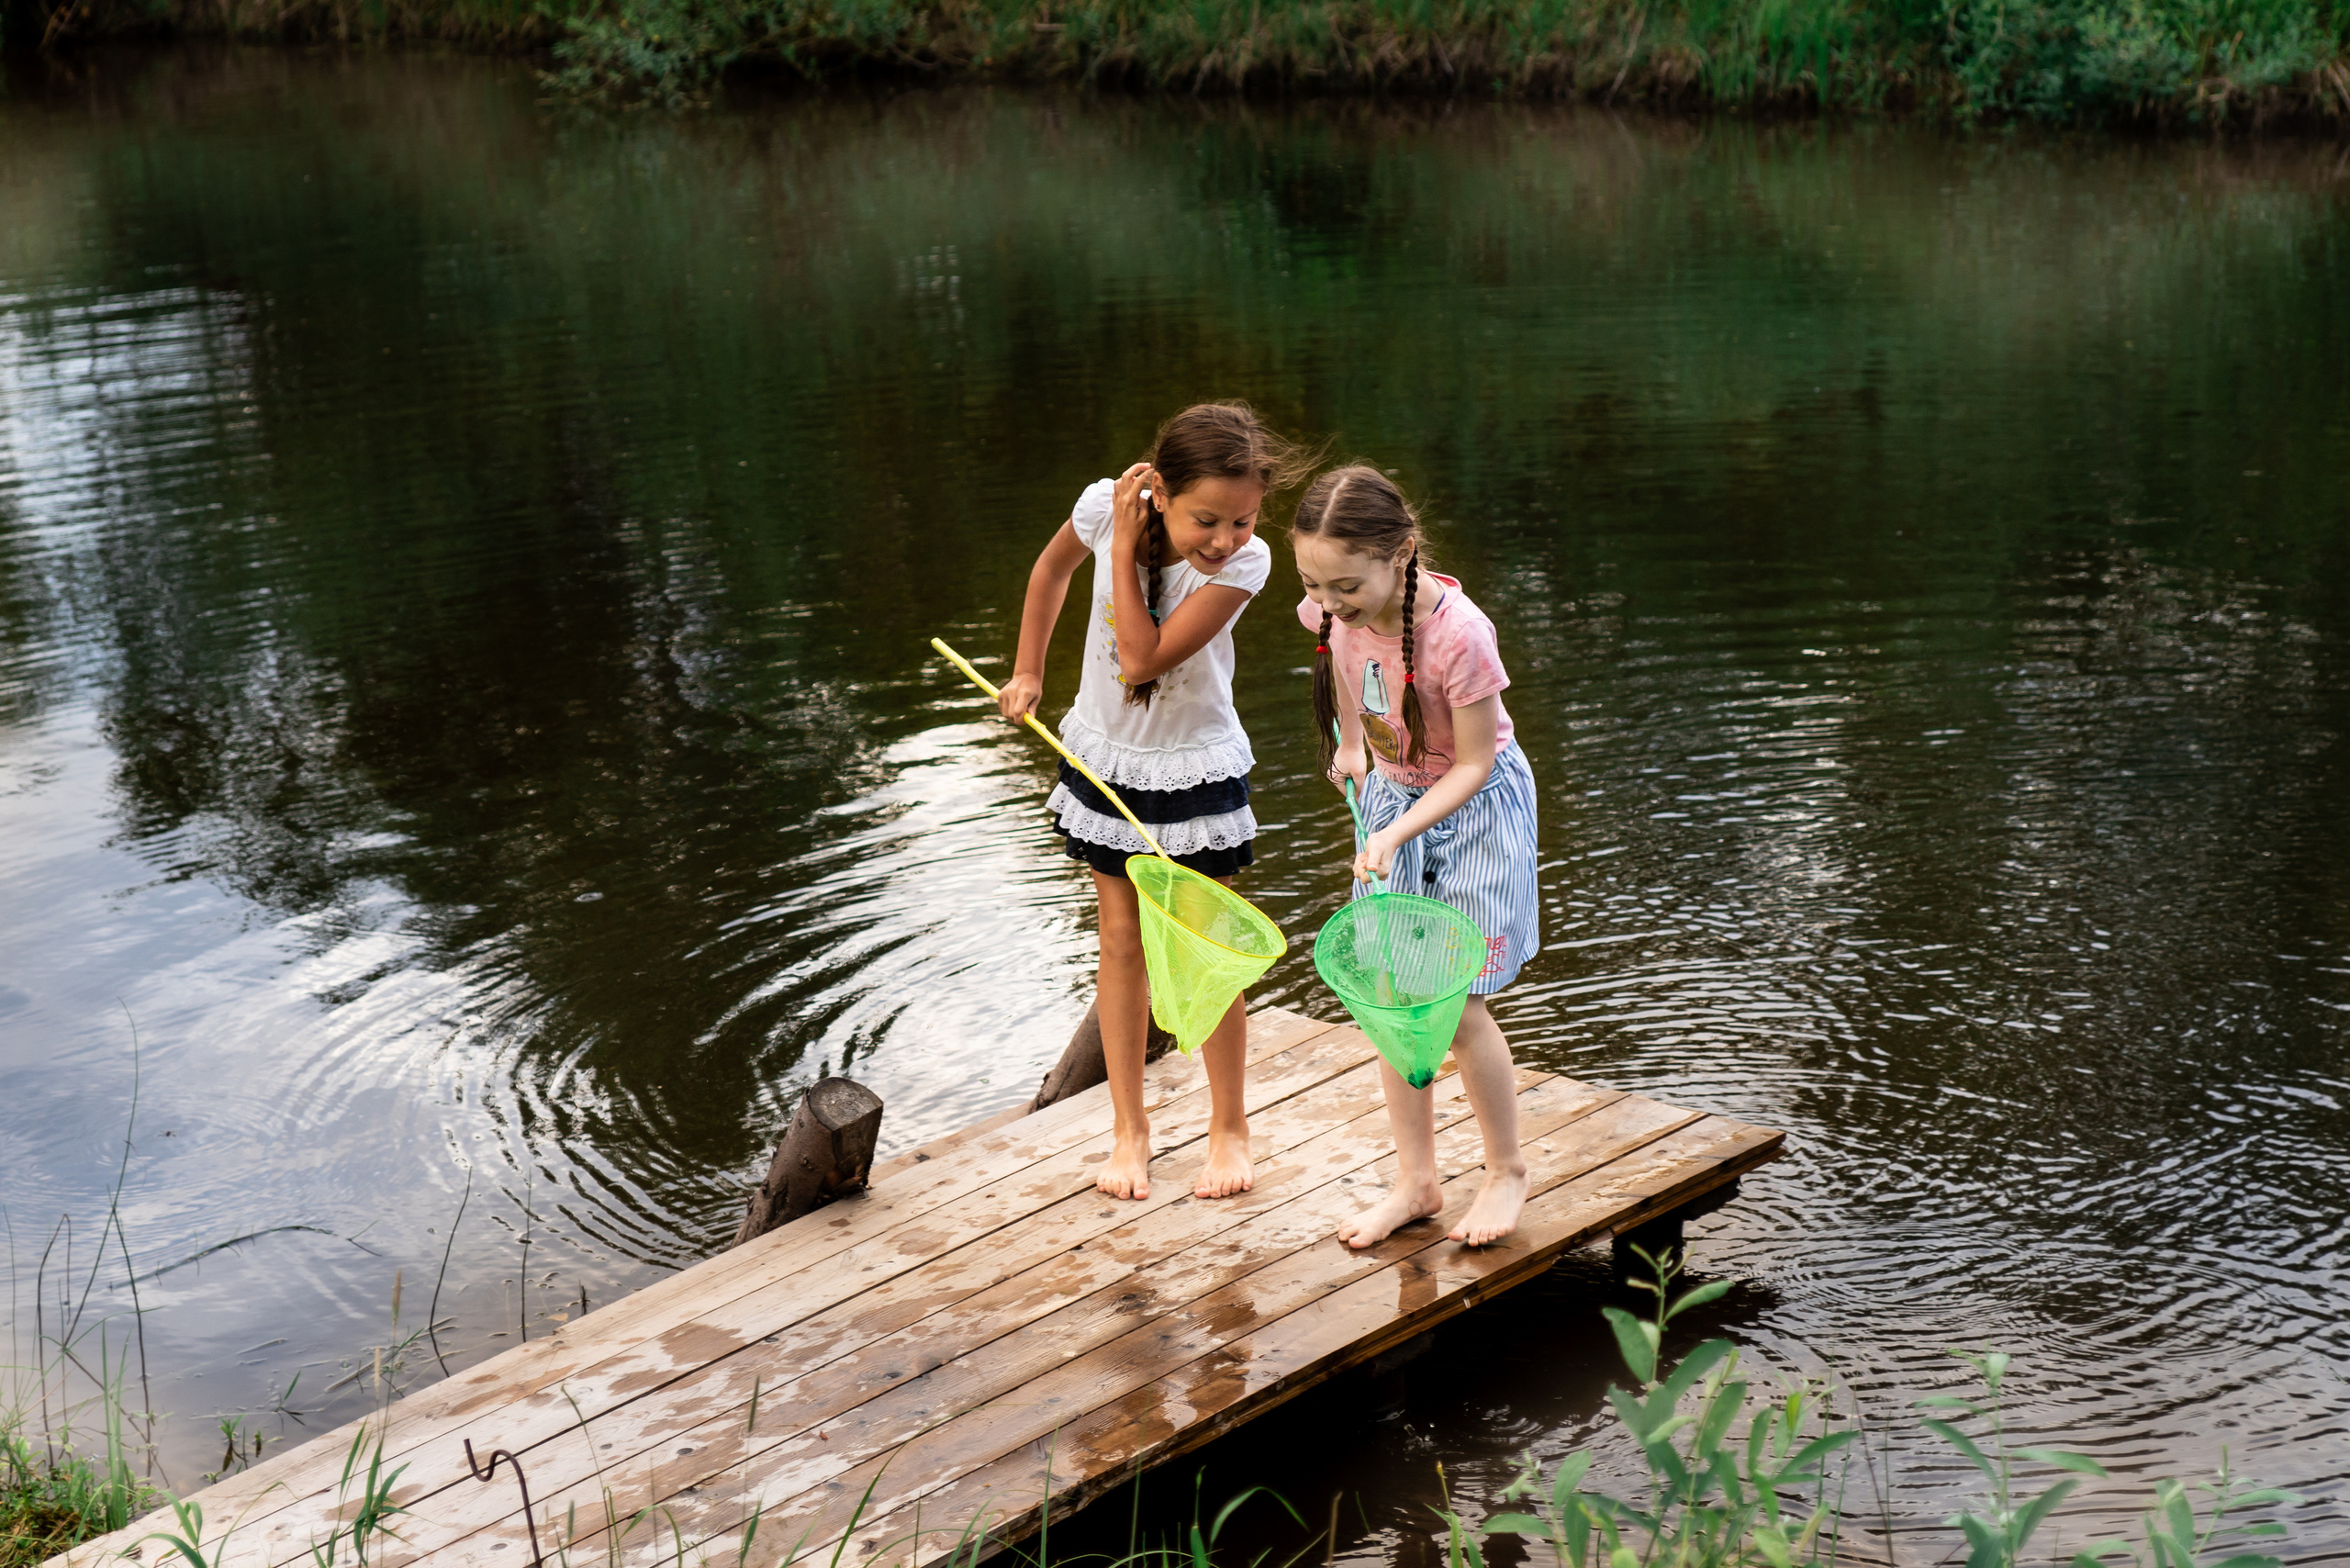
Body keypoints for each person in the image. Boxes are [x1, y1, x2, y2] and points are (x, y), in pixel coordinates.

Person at [996, 403, 1312, 1202]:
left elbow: (1139, 658)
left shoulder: (1245, 568)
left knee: (1208, 952)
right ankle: (1129, 1131)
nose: (1224, 538)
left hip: (1193, 768)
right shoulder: (1106, 506)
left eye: (1241, 520)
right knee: (1121, 941)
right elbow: (1048, 572)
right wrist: (1030, 670)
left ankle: (1229, 1126)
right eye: (1208, 519)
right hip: (1111, 757)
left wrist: (1127, 553)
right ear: (1162, 492)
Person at [1292, 465, 1541, 1248]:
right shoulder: (1332, 607)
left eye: (1343, 586)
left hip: (1472, 812)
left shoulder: (1460, 635)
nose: (1327, 603)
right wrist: (1353, 752)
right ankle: (1418, 1181)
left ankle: (1506, 1171)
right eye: (1313, 584)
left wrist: (1394, 833)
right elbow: (1343, 673)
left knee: (1457, 1006)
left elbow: (1471, 765)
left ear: (1400, 554)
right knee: (1396, 1003)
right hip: (1392, 799)